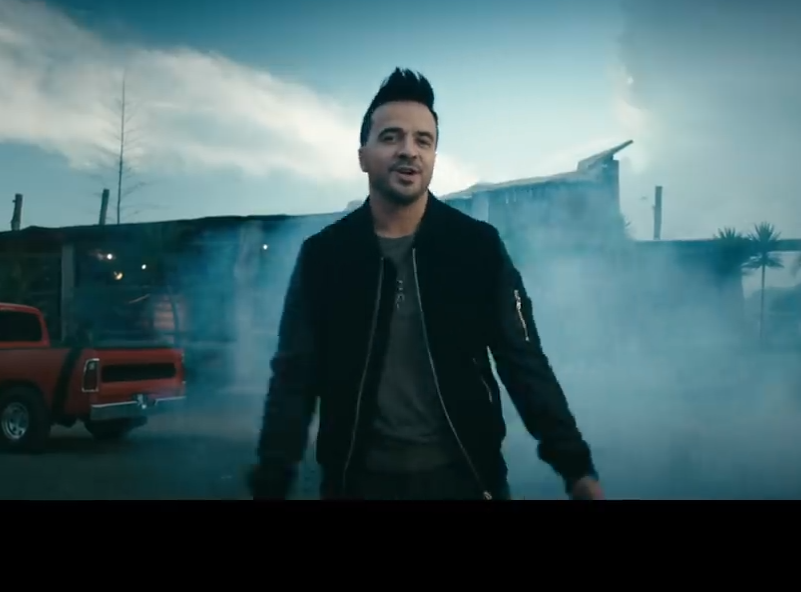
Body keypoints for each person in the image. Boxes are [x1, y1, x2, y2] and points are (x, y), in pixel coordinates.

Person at [248, 68, 603, 501]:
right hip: (357, 484)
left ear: (434, 156)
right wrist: (271, 480)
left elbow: (523, 361)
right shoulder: (324, 256)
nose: (408, 151)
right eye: (391, 137)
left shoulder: (477, 247)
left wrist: (576, 468)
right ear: (363, 156)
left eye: (423, 140)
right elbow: (293, 378)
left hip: (466, 480)